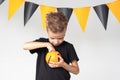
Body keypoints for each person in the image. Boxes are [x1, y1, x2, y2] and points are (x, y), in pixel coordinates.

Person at [23, 12, 80, 80]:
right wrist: (47, 44)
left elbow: (76, 71)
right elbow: (25, 46)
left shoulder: (69, 47)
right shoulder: (43, 43)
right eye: (52, 38)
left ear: (65, 31)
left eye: (60, 38)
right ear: (47, 31)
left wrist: (63, 64)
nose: (56, 41)